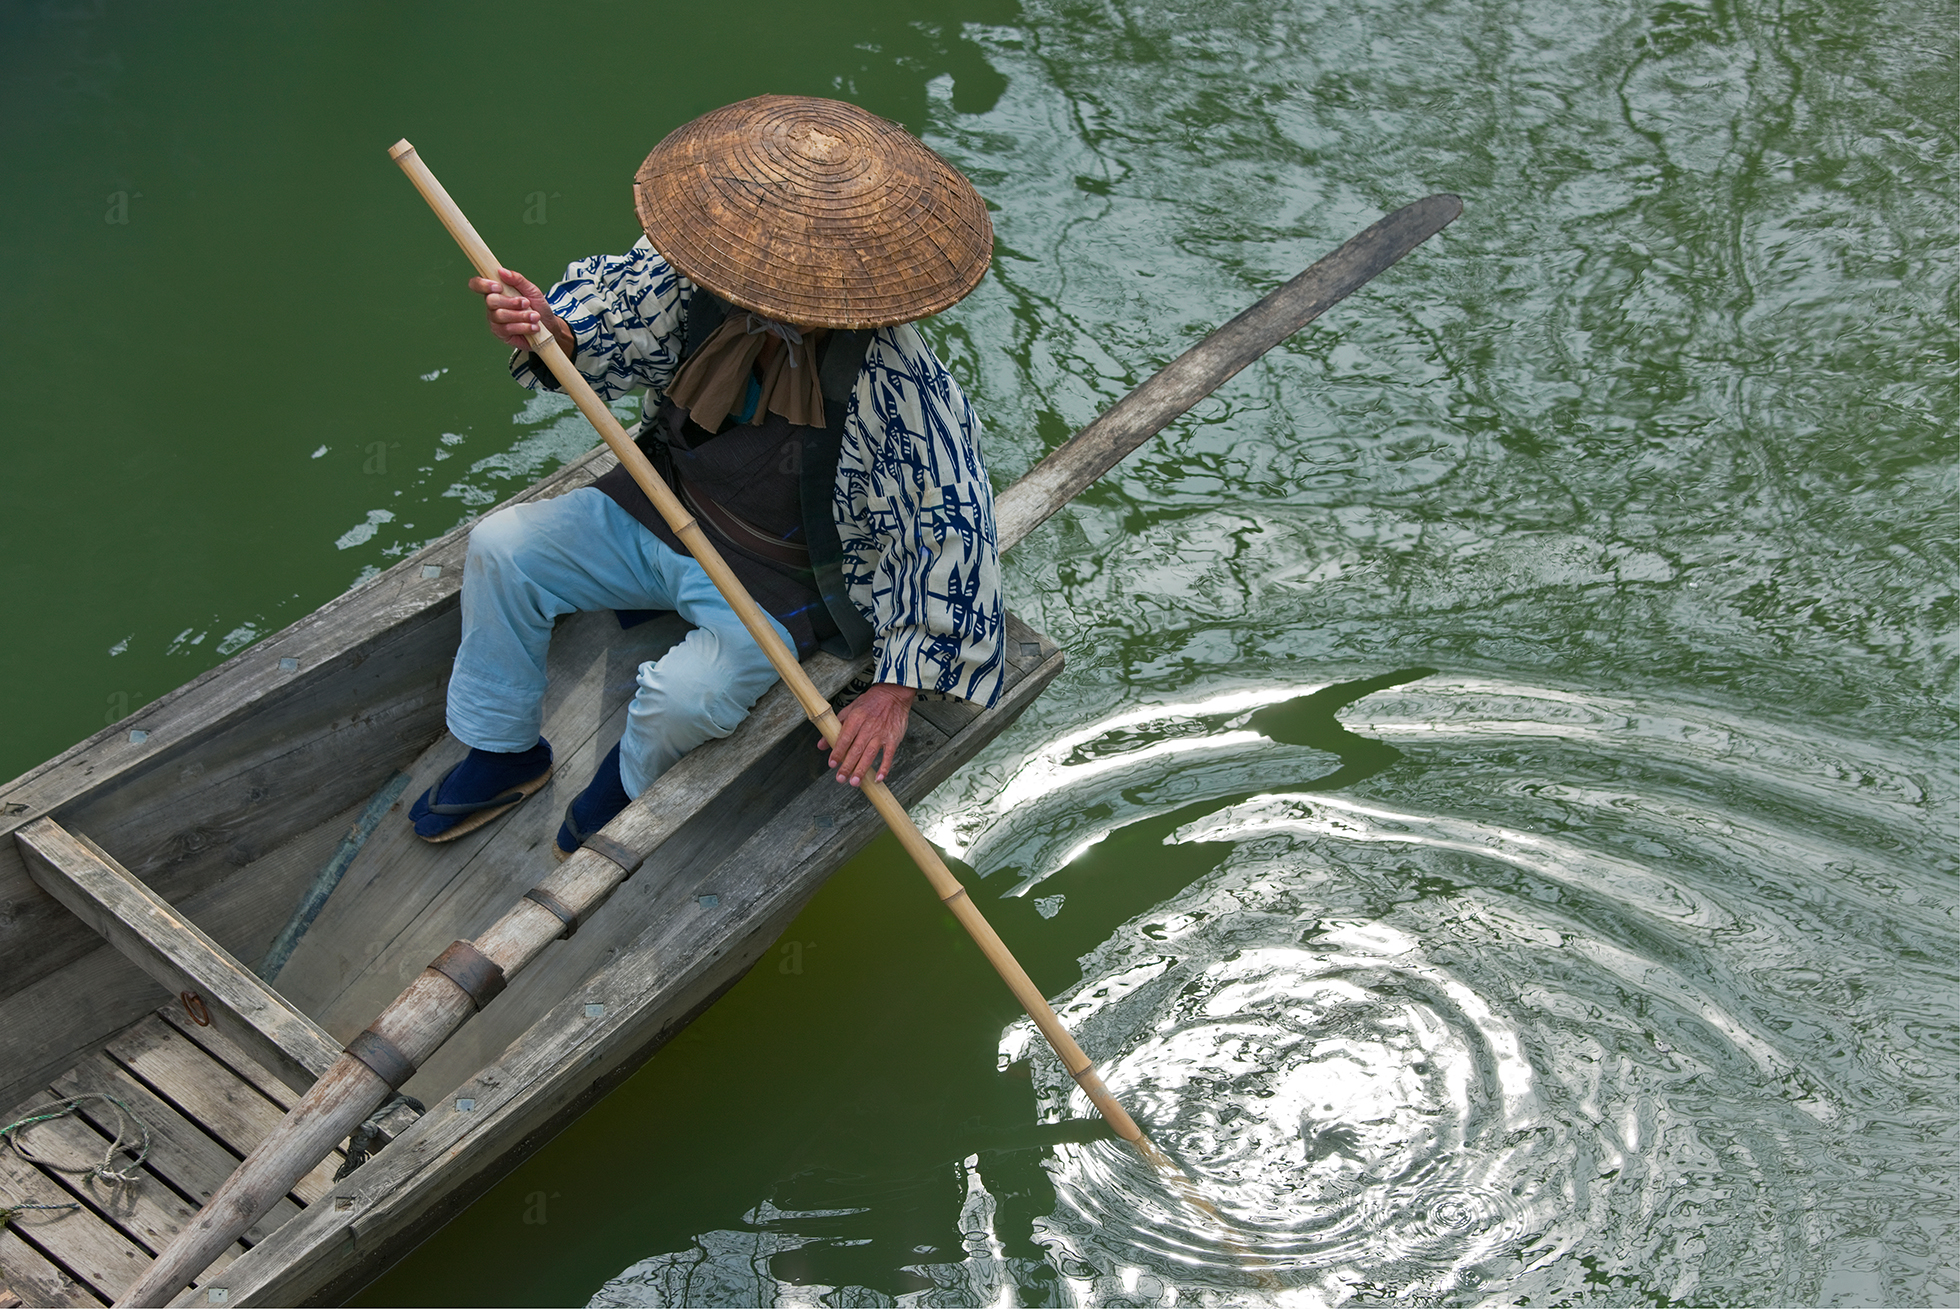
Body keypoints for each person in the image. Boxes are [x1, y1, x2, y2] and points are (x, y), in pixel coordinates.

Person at [407, 95, 1005, 857]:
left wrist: (895, 688)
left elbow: (954, 528)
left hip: (779, 579)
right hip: (664, 503)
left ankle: (625, 785)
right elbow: (609, 318)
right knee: (502, 546)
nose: (771, 282)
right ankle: (503, 749)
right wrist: (552, 329)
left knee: (686, 697)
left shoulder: (902, 386)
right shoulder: (694, 279)